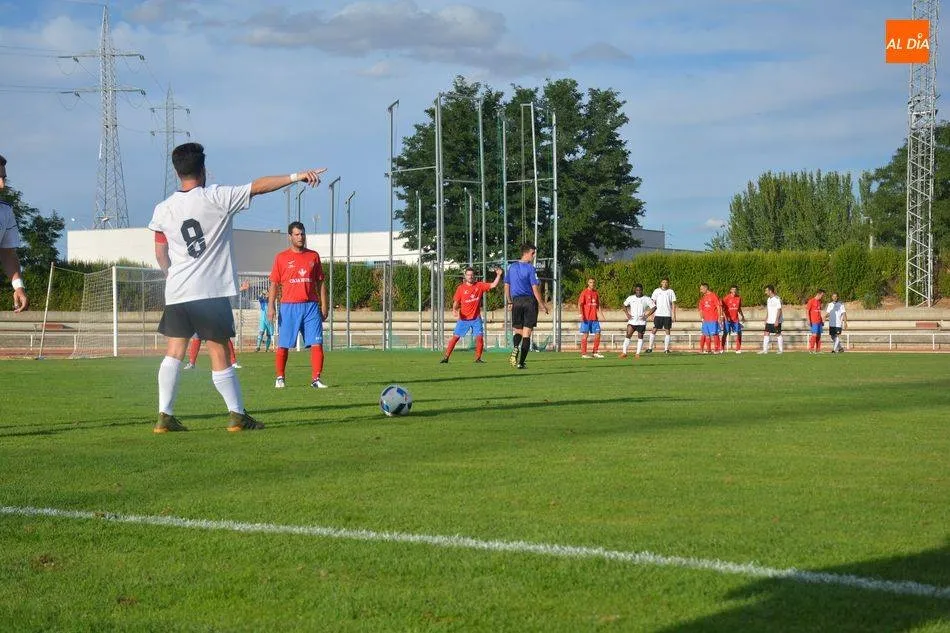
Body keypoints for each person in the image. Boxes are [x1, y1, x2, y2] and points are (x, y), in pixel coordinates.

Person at [148, 141, 325, 433]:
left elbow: (160, 253)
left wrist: (171, 275)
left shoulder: (163, 209)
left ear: (177, 172)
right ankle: (237, 416)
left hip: (178, 291)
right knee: (219, 353)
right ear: (203, 169)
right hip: (210, 292)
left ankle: (164, 417)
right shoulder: (217, 197)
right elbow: (258, 186)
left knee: (173, 352)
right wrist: (296, 177)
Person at [268, 221, 329, 389]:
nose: (300, 237)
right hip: (289, 307)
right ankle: (280, 377)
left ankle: (316, 379)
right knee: (284, 344)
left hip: (311, 306)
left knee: (317, 343)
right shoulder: (281, 258)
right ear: (290, 237)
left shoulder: (313, 256)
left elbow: (321, 282)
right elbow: (274, 283)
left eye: (302, 234)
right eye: (297, 234)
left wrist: (325, 305)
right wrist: (271, 306)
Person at [440, 266, 503, 363]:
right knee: (455, 338)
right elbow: (456, 302)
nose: (470, 277)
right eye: (468, 275)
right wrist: (454, 309)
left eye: (472, 275)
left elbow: (493, 285)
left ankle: (478, 358)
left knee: (479, 338)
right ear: (465, 276)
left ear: (474, 276)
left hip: (476, 318)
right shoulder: (461, 288)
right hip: (463, 319)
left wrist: (498, 275)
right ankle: (446, 357)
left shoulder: (479, 285)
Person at [504, 243, 549, 369]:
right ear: (526, 253)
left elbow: (506, 286)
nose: (534, 256)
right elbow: (535, 288)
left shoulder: (511, 267)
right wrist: (542, 304)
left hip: (516, 301)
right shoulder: (530, 268)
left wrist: (510, 302)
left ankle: (515, 348)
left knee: (517, 330)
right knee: (527, 333)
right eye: (532, 253)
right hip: (529, 301)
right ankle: (521, 362)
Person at [0, 154, 28, 313]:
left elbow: (7, 253)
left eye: (3, 178)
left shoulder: (5, 211)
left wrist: (18, 287)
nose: (2, 185)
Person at [620, 284, 655, 358]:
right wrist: (627, 314)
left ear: (642, 290)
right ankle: (624, 353)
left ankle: (637, 353)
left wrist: (647, 315)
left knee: (640, 337)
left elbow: (654, 307)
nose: (638, 291)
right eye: (637, 290)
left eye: (640, 290)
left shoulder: (646, 298)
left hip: (641, 322)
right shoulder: (631, 298)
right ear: (635, 290)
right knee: (628, 335)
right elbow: (624, 305)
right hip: (632, 321)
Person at [577, 277, 606, 359]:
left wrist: (602, 315)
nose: (592, 284)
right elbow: (579, 304)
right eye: (590, 282)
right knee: (585, 335)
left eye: (593, 282)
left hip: (594, 318)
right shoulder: (584, 293)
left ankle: (595, 352)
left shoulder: (596, 293)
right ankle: (584, 353)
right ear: (588, 283)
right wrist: (580, 314)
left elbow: (598, 305)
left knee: (598, 334)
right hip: (586, 318)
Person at [646, 277, 677, 354]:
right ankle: (650, 348)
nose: (665, 284)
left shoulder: (671, 291)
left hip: (667, 315)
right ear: (661, 283)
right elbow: (653, 302)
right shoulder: (656, 291)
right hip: (658, 314)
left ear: (668, 283)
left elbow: (673, 304)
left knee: (667, 331)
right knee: (654, 329)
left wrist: (674, 314)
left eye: (666, 282)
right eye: (663, 282)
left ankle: (666, 349)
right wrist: (652, 313)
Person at [698, 282, 724, 354]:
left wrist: (720, 316)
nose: (700, 290)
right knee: (706, 334)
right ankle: (708, 350)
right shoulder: (703, 297)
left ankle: (716, 350)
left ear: (706, 288)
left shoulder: (713, 295)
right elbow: (701, 308)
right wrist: (702, 318)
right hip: (706, 320)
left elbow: (718, 306)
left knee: (715, 333)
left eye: (701, 289)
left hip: (713, 318)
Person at [759, 284, 784, 354]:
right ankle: (765, 350)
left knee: (778, 334)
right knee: (766, 333)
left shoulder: (777, 299)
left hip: (776, 321)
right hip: (769, 320)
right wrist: (766, 318)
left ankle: (781, 350)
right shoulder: (768, 299)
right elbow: (768, 310)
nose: (765, 292)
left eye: (766, 290)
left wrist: (777, 320)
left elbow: (779, 310)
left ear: (770, 291)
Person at [721, 285, 746, 353]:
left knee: (739, 332)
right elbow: (722, 309)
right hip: (728, 319)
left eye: (735, 289)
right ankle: (722, 348)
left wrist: (742, 316)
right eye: (733, 289)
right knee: (725, 333)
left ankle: (738, 349)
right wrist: (725, 318)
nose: (734, 291)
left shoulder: (738, 298)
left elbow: (739, 308)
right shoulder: (726, 298)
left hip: (735, 319)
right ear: (730, 290)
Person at [805, 289, 826, 354]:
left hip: (819, 321)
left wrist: (822, 320)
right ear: (818, 294)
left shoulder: (819, 302)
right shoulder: (811, 301)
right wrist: (808, 320)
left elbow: (819, 312)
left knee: (819, 335)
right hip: (814, 321)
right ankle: (811, 349)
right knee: (814, 335)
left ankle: (818, 349)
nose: (822, 296)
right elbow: (807, 311)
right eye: (822, 295)